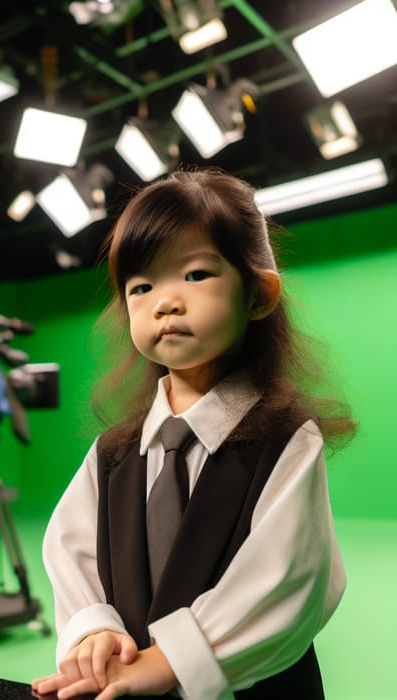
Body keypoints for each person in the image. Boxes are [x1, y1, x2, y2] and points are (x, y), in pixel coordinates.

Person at [31, 167, 356, 700]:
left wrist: (174, 661)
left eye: (197, 274)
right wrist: (94, 629)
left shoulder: (285, 440)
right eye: (141, 286)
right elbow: (71, 549)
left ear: (259, 294)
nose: (166, 301)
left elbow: (290, 574)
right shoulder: (112, 451)